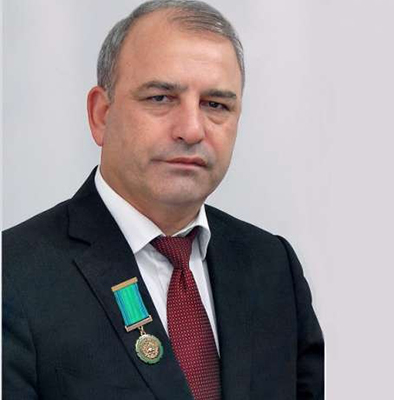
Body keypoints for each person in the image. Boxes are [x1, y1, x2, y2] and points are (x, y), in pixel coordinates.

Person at [2, 1, 324, 399]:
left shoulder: (273, 266)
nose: (191, 129)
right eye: (161, 98)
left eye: (215, 105)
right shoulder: (12, 276)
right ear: (101, 114)